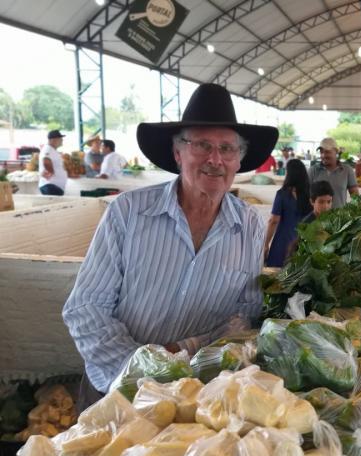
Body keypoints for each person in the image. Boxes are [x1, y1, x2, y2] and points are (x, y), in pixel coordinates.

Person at [62, 84, 279, 409]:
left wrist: (186, 351)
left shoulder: (248, 225)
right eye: (202, 145)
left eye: (227, 148)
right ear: (178, 153)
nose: (215, 159)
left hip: (194, 400)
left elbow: (243, 313)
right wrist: (142, 372)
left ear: (239, 160)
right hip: (114, 394)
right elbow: (85, 308)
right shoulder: (128, 212)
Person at [264, 159, 312, 267]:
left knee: (276, 276)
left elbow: (273, 221)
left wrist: (266, 244)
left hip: (282, 243)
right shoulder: (311, 194)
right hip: (303, 242)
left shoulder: (282, 194)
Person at [308, 137, 358, 208]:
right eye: (321, 152)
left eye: (327, 152)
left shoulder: (347, 170)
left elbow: (355, 196)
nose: (323, 155)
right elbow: (306, 194)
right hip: (318, 218)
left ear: (336, 152)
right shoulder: (313, 171)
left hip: (339, 217)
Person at [39, 130, 67, 196]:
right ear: (53, 140)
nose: (62, 140)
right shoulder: (48, 149)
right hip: (50, 185)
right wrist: (51, 172)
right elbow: (46, 161)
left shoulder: (52, 150)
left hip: (53, 186)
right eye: (60, 138)